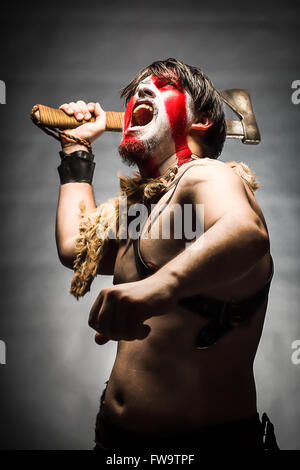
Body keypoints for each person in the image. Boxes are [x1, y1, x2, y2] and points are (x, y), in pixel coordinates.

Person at [55, 58, 278, 451]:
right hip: (114, 440)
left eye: (161, 85)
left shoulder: (207, 175)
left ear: (203, 119)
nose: (140, 93)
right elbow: (77, 249)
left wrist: (157, 289)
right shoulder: (150, 208)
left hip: (205, 446)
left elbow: (248, 232)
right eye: (136, 92)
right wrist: (77, 150)